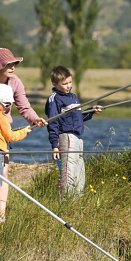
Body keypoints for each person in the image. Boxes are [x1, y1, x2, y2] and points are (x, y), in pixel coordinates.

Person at [0, 47, 47, 219]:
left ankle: (1, 215)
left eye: (15, 63)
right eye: (9, 64)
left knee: (3, 175)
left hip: (4, 135)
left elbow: (24, 106)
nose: (13, 67)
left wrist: (35, 119)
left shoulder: (16, 82)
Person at [45, 66, 102, 197]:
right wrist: (54, 146)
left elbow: (78, 118)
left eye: (70, 82)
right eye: (64, 84)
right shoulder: (54, 99)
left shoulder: (73, 97)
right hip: (66, 137)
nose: (68, 86)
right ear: (54, 84)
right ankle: (66, 200)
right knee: (68, 172)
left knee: (79, 172)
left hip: (78, 137)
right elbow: (53, 123)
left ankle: (77, 201)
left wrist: (91, 110)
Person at [0, 84, 32, 223]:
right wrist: (24, 132)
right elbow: (10, 137)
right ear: (0, 103)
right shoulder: (1, 118)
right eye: (8, 104)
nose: (8, 108)